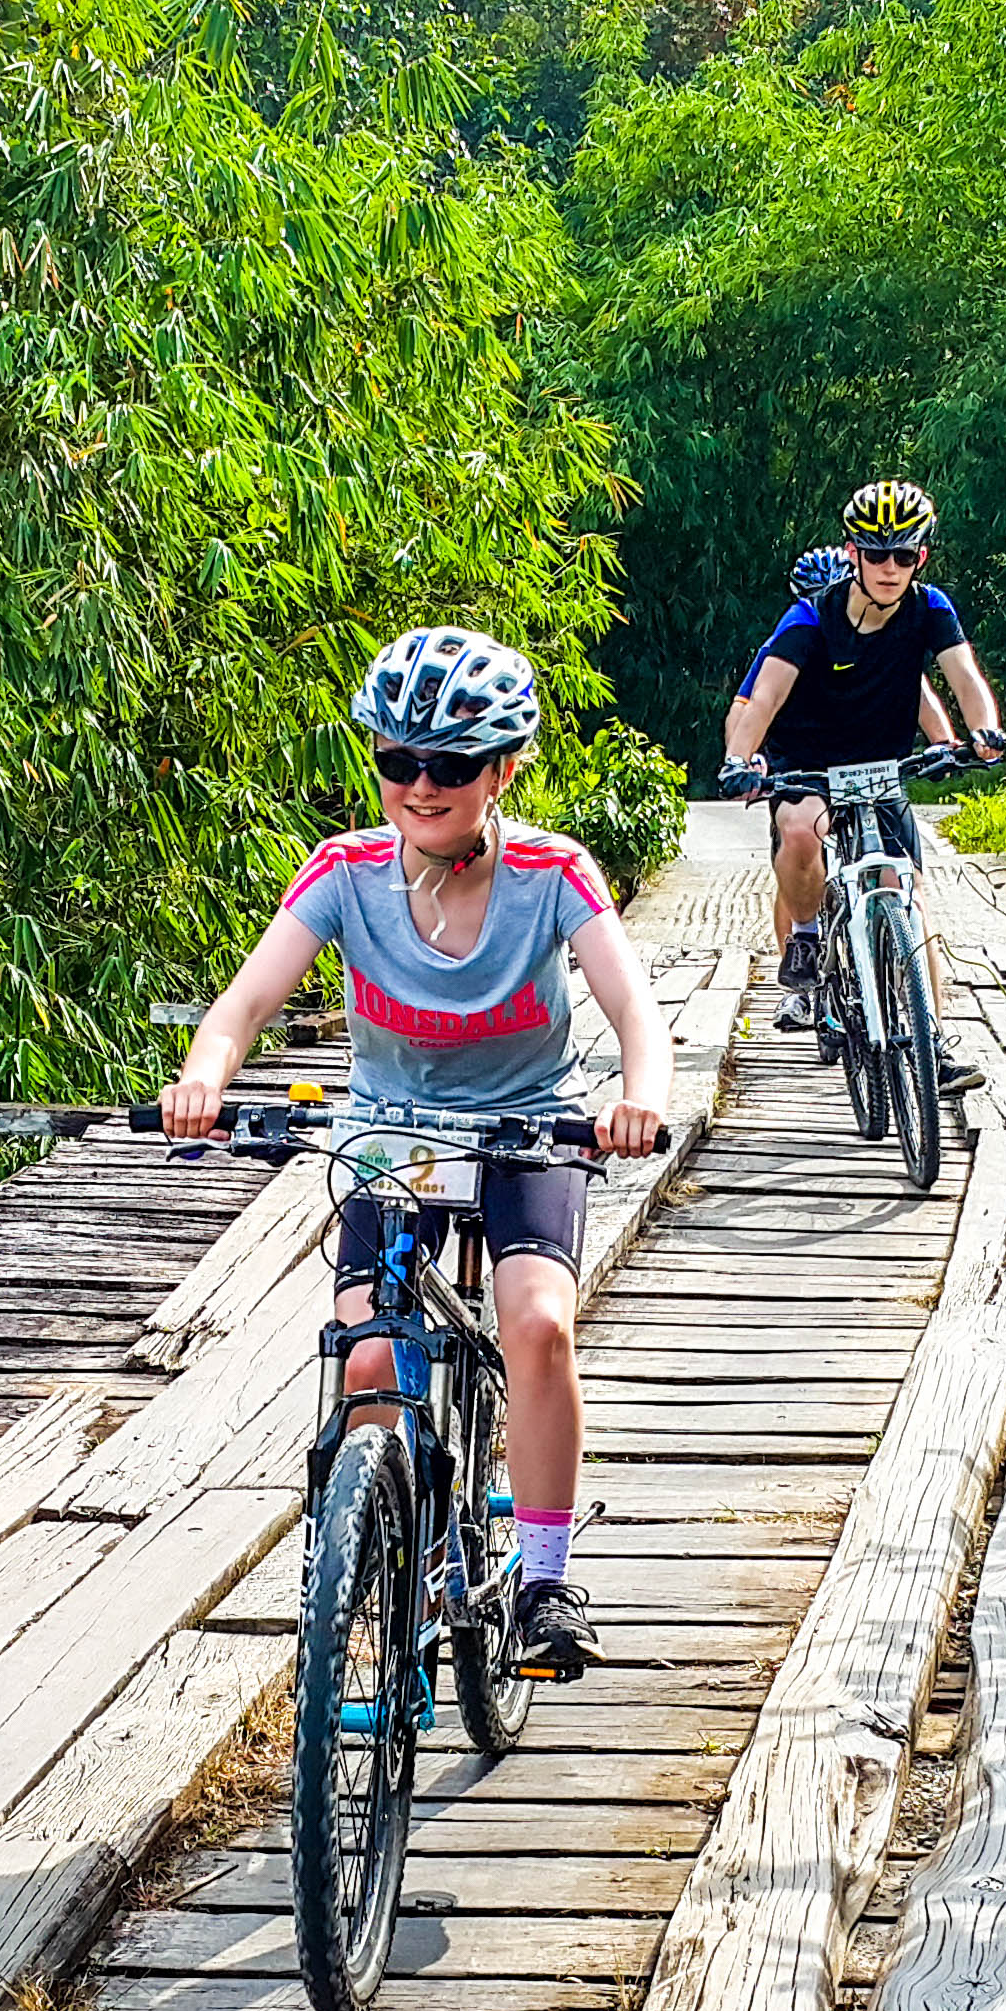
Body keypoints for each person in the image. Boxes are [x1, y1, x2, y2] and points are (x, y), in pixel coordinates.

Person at [160, 626, 672, 1679]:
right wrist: (205, 1077)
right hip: (391, 1132)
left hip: (528, 1121)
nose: (420, 786)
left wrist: (639, 1099)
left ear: (501, 771)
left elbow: (632, 1007)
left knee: (533, 1324)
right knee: (370, 1355)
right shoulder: (343, 873)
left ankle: (539, 1579)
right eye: (398, 761)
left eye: (448, 766)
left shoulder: (551, 872)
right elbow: (247, 1000)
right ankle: (412, 1544)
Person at [720, 478, 1006, 994]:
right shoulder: (810, 616)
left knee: (912, 900)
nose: (890, 569)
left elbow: (964, 678)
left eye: (902, 555)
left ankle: (932, 1045)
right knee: (802, 829)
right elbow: (759, 700)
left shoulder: (931, 608)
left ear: (920, 556)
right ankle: (805, 934)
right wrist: (739, 759)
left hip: (879, 763)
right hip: (808, 760)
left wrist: (983, 731)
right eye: (877, 555)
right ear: (854, 553)